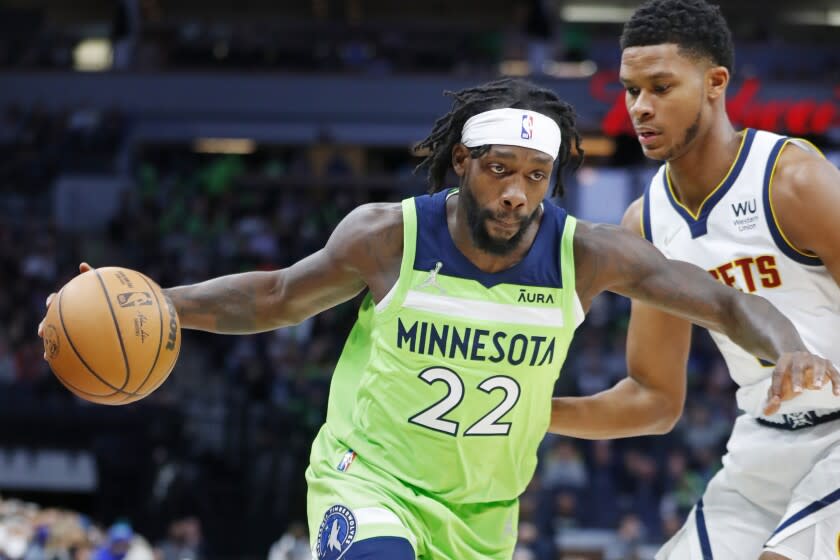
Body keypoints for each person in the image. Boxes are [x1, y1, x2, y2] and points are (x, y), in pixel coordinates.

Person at [40, 77, 835, 560]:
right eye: (499, 173)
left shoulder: (585, 253)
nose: (517, 194)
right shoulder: (389, 235)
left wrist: (790, 343)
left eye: (535, 176)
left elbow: (726, 300)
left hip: (484, 513)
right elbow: (278, 294)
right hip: (370, 477)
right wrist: (156, 306)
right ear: (463, 163)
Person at [548, 2, 840, 559]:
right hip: (762, 445)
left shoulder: (794, 181)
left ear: (715, 83)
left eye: (660, 87)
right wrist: (531, 412)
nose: (640, 107)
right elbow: (653, 399)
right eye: (631, 90)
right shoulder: (645, 222)